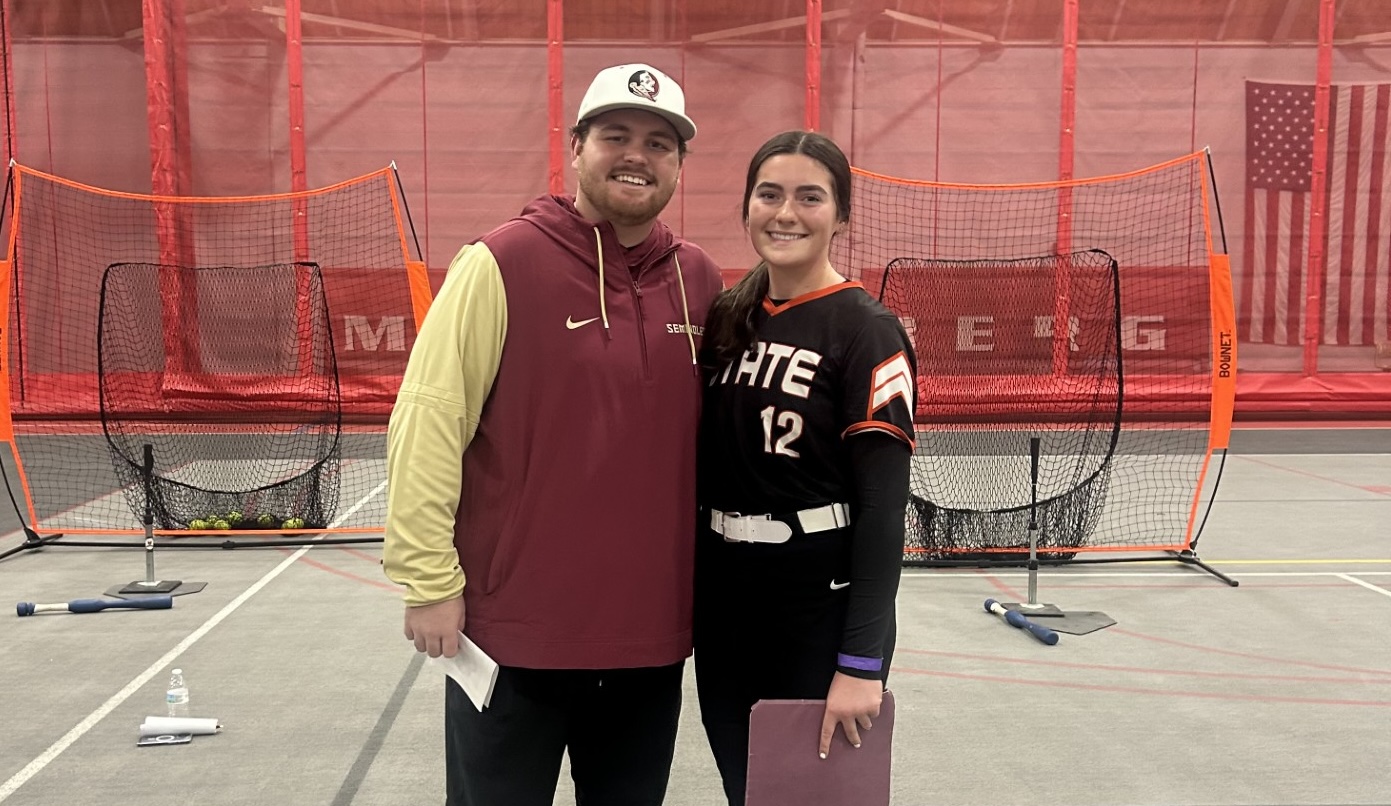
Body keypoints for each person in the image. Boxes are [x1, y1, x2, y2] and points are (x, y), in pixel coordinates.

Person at [382, 63, 723, 806]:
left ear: (678, 165)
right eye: (615, 136)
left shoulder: (700, 281)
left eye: (659, 143)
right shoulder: (499, 262)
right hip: (513, 637)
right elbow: (428, 422)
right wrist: (426, 581)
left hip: (649, 642)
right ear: (576, 147)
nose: (637, 155)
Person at [694, 130, 916, 806]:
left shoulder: (866, 330)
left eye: (808, 197)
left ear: (840, 216)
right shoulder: (726, 316)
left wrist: (860, 663)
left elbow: (882, 509)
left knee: (808, 796)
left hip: (816, 607)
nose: (784, 213)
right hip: (727, 608)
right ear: (746, 208)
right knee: (746, 788)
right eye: (768, 194)